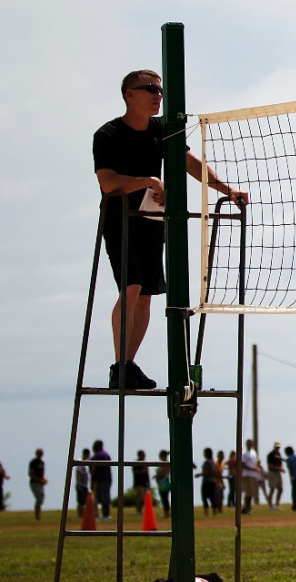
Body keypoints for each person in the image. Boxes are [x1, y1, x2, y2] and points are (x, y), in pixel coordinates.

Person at [93, 69, 248, 390]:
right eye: (150, 89)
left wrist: (227, 190)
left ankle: (128, 365)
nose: (158, 95)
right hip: (120, 219)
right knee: (131, 287)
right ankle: (119, 366)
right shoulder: (108, 134)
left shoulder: (162, 130)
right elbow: (108, 182)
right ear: (130, 94)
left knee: (146, 295)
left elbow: (190, 163)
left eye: (160, 90)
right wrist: (148, 181)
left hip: (152, 220)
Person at [91, 440, 113, 521]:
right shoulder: (106, 454)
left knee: (104, 497)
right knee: (105, 496)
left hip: (101, 479)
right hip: (107, 478)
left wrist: (93, 480)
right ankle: (105, 514)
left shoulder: (98, 456)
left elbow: (95, 469)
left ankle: (105, 515)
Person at [196, 447, 219, 516]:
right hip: (213, 481)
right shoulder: (213, 462)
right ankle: (214, 512)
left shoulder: (207, 462)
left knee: (204, 497)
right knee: (212, 497)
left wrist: (199, 475)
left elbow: (206, 471)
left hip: (207, 481)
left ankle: (206, 512)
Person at [240, 439, 260, 515]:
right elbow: (243, 464)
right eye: (248, 443)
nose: (250, 445)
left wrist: (257, 467)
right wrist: (252, 469)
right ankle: (246, 507)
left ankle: (248, 507)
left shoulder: (254, 452)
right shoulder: (244, 453)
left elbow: (255, 462)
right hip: (247, 474)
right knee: (248, 492)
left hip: (253, 475)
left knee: (252, 492)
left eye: (251, 443)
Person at [28, 448, 47, 520]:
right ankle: (37, 516)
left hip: (40, 483)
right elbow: (31, 474)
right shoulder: (33, 462)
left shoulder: (42, 463)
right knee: (39, 498)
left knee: (41, 497)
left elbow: (43, 473)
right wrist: (39, 480)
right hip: (34, 483)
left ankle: (38, 514)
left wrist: (44, 479)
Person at [265, 442, 285, 511]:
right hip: (272, 473)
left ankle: (277, 505)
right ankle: (270, 506)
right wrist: (279, 468)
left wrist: (281, 468)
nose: (277, 448)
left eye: (278, 447)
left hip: (278, 473)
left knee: (280, 489)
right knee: (272, 489)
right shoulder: (270, 455)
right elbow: (270, 466)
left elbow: (280, 463)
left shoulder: (279, 454)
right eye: (276, 447)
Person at [75, 448, 92, 518]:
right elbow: (78, 472)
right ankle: (80, 515)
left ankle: (83, 514)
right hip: (81, 484)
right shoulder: (80, 462)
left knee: (84, 501)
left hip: (85, 485)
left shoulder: (86, 463)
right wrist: (77, 482)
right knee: (80, 501)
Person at [155, 449, 171, 517]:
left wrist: (157, 475)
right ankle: (166, 512)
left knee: (164, 498)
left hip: (163, 483)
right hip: (161, 482)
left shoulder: (165, 463)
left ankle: (167, 513)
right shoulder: (164, 463)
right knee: (164, 498)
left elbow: (163, 472)